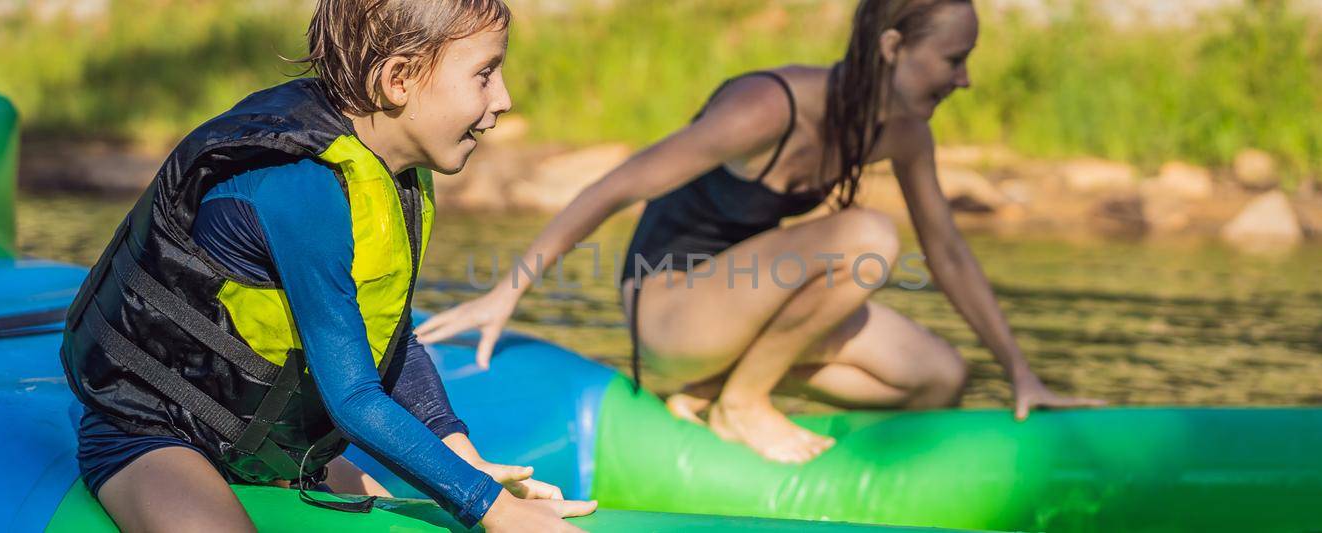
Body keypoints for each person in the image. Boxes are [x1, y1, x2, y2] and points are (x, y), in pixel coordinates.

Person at [414, 0, 1104, 464]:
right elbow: (617, 185)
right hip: (669, 305)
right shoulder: (768, 105)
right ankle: (742, 402)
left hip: (740, 306)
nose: (967, 78)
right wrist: (506, 292)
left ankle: (718, 396)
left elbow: (949, 253)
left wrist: (1020, 373)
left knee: (938, 378)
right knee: (867, 236)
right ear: (893, 47)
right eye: (954, 59)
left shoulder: (905, 133)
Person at [59, 1, 595, 530]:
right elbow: (355, 400)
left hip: (264, 443)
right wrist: (498, 513)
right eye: (484, 74)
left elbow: (390, 336)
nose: (503, 98)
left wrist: (466, 459)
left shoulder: (396, 173)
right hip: (156, 431)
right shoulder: (301, 187)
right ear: (399, 80)